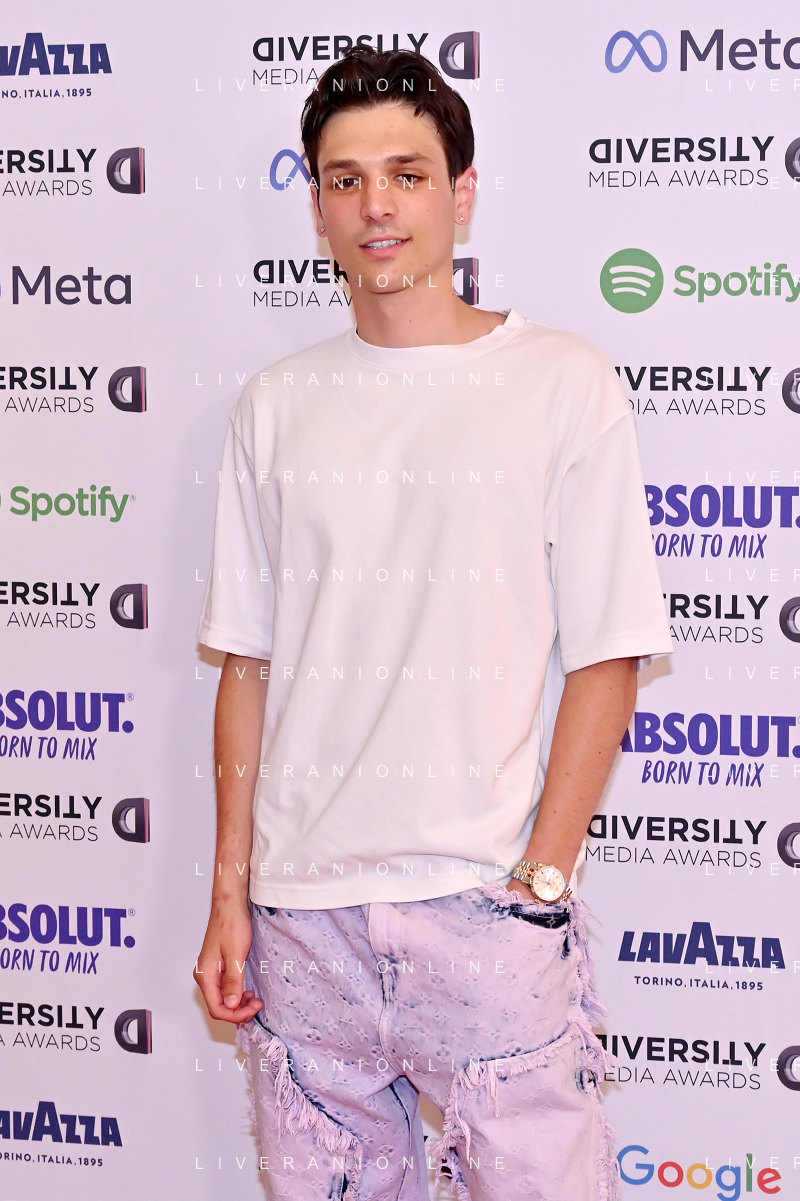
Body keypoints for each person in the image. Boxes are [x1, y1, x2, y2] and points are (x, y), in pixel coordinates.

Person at [194, 46, 671, 1201]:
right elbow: (247, 666)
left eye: (405, 174)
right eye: (346, 179)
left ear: (460, 192)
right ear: (317, 207)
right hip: (302, 923)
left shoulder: (560, 379)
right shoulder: (275, 405)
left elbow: (608, 653)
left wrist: (541, 877)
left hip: (483, 909)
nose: (377, 205)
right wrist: (228, 894)